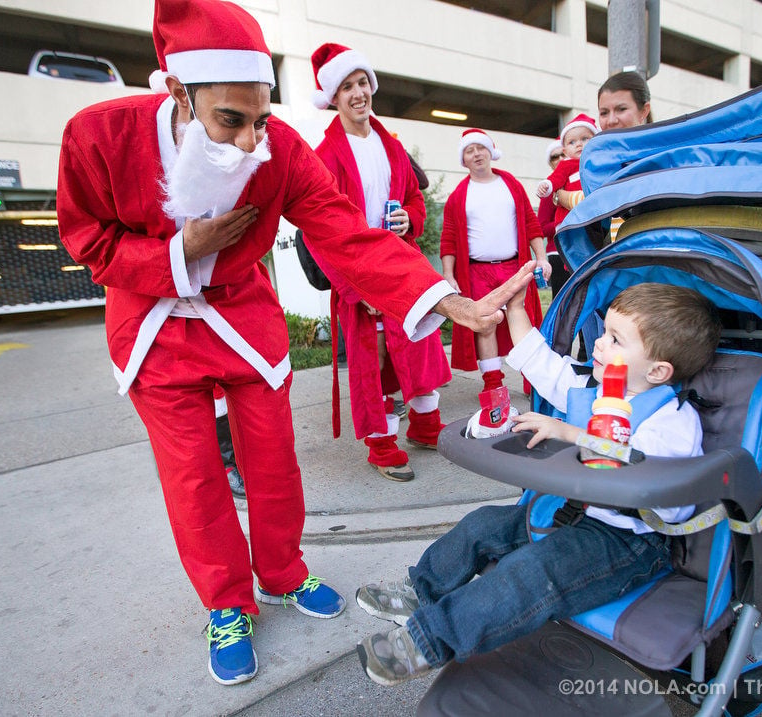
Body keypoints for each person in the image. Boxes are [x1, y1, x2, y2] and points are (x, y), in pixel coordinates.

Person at [56, 0, 531, 687]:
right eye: (231, 121)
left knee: (275, 464)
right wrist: (180, 248)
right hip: (154, 332)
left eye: (262, 118)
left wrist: (447, 299)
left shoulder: (277, 150)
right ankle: (226, 602)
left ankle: (281, 571)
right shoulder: (97, 136)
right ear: (176, 93)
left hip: (243, 325)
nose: (253, 141)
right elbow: (88, 240)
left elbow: (348, 233)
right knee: (194, 479)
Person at [353, 282, 722, 685]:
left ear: (657, 371)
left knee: (528, 573)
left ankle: (426, 642)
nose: (599, 344)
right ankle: (419, 590)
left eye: (616, 340)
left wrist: (571, 434)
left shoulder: (671, 422)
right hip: (567, 513)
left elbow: (666, 495)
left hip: (626, 540)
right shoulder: (589, 387)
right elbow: (540, 362)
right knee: (482, 525)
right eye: (603, 332)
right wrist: (514, 308)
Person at [305, 43, 451, 482]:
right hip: (359, 273)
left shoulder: (392, 144)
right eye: (347, 86)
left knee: (419, 344)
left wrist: (412, 217)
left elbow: (412, 197)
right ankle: (382, 443)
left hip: (400, 264)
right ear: (333, 97)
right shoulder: (324, 156)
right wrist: (353, 288)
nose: (357, 93)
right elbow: (319, 233)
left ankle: (425, 427)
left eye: (362, 82)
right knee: (376, 358)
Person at [440, 128, 550, 392]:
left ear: (490, 151)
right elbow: (449, 238)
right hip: (477, 272)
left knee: (523, 321)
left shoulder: (511, 184)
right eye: (469, 150)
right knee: (485, 324)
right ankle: (492, 384)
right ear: (463, 159)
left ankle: (532, 380)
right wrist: (449, 274)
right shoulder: (458, 196)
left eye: (480, 148)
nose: (476, 154)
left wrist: (542, 258)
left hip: (514, 266)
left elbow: (531, 223)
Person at [554, 72, 653, 243]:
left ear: (644, 110)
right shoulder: (604, 158)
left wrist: (560, 196)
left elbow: (601, 200)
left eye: (621, 109)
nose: (611, 120)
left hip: (650, 254)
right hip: (618, 257)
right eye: (604, 113)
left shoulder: (655, 152)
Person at [535, 113, 598, 228]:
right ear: (565, 151)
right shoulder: (566, 165)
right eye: (572, 142)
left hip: (594, 216)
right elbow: (555, 178)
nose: (579, 144)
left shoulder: (599, 160)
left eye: (584, 139)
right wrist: (546, 185)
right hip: (569, 219)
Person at [536, 138, 566, 295]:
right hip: (558, 252)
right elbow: (541, 227)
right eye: (555, 157)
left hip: (585, 249)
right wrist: (564, 224)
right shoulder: (548, 188)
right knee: (563, 299)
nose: (560, 159)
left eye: (563, 154)